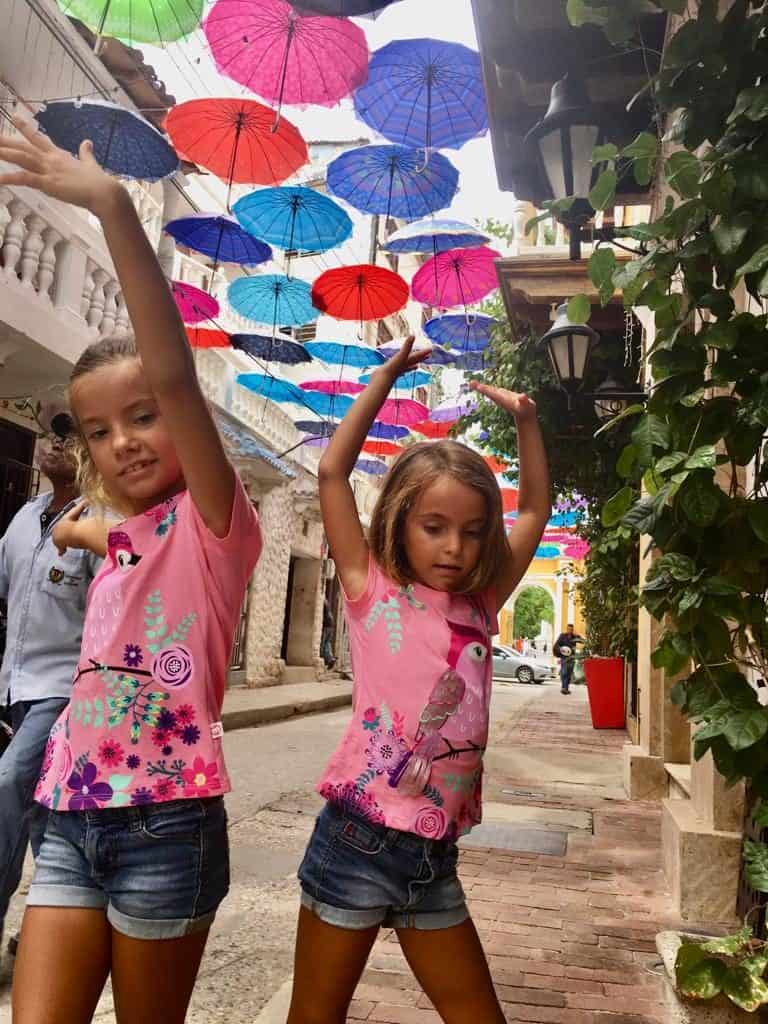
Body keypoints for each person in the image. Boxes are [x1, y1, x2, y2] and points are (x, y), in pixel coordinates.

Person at [0, 119, 262, 1024]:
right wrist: (78, 531)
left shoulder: (218, 526)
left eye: (141, 417)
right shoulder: (121, 537)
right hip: (68, 814)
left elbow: (178, 376)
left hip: (169, 823)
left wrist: (114, 209)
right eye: (100, 431)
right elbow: (94, 530)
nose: (123, 442)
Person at [287, 337, 551, 1024]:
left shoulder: (481, 602)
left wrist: (527, 423)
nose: (454, 547)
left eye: (470, 531)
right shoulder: (370, 588)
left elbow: (532, 512)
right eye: (434, 527)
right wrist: (386, 375)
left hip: (433, 859)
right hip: (356, 841)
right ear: (401, 521)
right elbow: (331, 475)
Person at [0, 432, 100, 953]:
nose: (57, 441)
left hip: (63, 691)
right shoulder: (24, 517)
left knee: (8, 781)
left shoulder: (95, 523)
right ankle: (50, 936)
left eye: (73, 435)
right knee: (44, 815)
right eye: (52, 433)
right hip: (16, 688)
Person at [553, 623, 583, 695]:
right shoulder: (562, 636)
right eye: (569, 629)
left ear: (573, 630)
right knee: (564, 672)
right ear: (567, 629)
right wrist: (560, 649)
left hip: (572, 657)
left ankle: (566, 688)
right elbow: (557, 644)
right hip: (564, 657)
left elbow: (582, 641)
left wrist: (577, 635)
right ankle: (563, 687)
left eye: (571, 629)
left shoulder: (574, 637)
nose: (570, 630)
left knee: (569, 673)